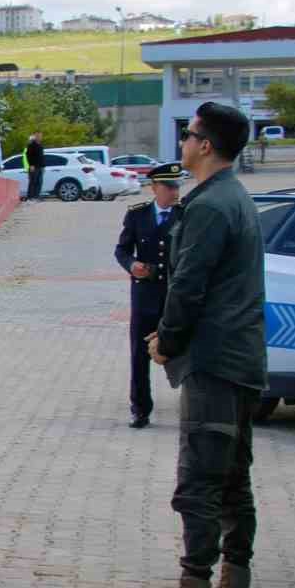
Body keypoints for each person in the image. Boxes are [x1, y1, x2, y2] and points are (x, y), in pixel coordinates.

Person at [128, 101, 267, 588]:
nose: (182, 144)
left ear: (205, 145)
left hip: (214, 359)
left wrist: (168, 339)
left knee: (202, 482)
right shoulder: (232, 196)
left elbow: (189, 284)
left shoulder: (211, 205)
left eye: (188, 135)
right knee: (232, 477)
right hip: (238, 358)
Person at [114, 163, 183, 428]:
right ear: (154, 188)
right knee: (139, 355)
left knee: (181, 352)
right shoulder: (137, 215)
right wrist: (132, 265)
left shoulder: (185, 215)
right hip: (145, 296)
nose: (174, 192)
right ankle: (140, 408)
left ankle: (190, 404)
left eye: (177, 186)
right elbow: (122, 250)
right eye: (169, 187)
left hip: (174, 297)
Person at [24, 132, 45, 201]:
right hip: (34, 166)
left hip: (41, 166)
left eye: (41, 136)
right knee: (33, 181)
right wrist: (31, 165)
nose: (40, 137)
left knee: (39, 182)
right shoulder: (31, 145)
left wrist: (43, 166)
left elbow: (42, 156)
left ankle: (37, 196)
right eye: (38, 136)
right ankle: (30, 197)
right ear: (35, 137)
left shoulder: (40, 145)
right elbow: (28, 155)